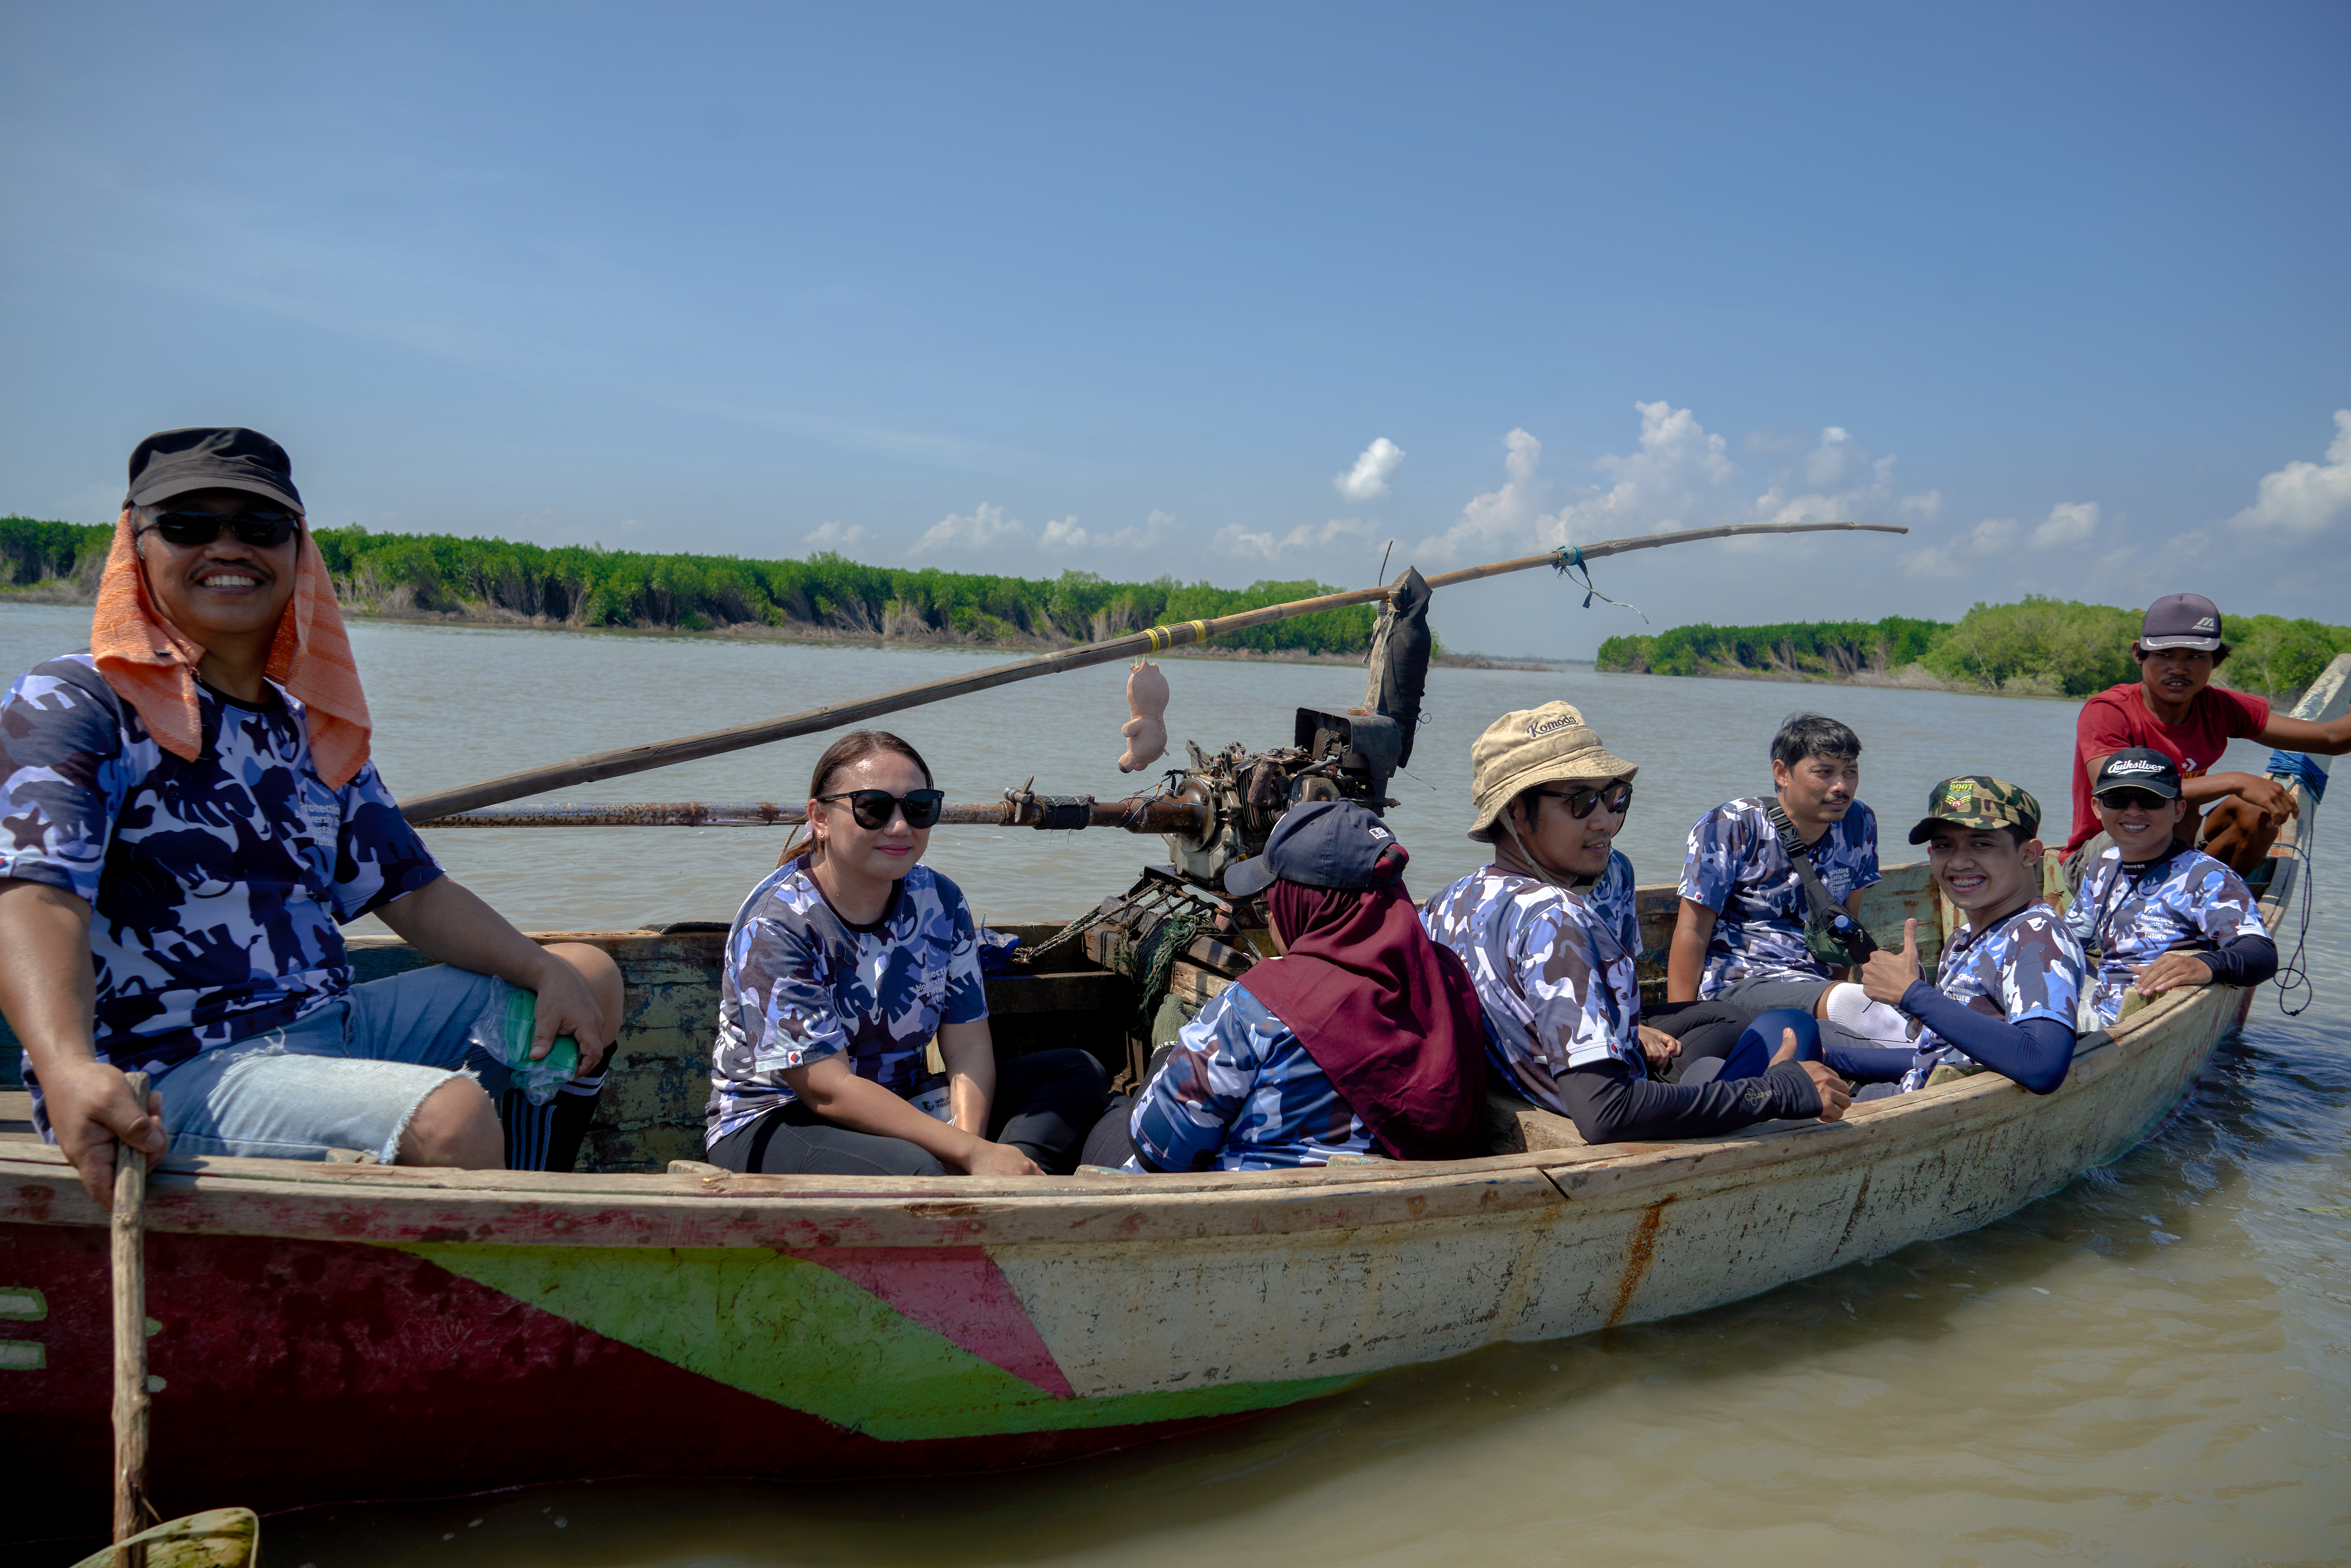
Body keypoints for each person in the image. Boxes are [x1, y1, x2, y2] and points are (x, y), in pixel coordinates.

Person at [0, 427, 624, 1206]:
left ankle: (532, 1220)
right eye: (191, 525)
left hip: (332, 1020)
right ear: (137, 547)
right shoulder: (79, 703)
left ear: (299, 554)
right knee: (449, 1119)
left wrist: (541, 968)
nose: (228, 547)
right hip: (174, 1069)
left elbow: (413, 892)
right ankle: (498, 1286)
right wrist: (64, 1067)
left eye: (259, 529)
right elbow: (36, 895)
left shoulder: (308, 725)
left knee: (584, 980)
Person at [1421, 702, 1848, 1144]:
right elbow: (1606, 1111)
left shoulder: (1447, 902)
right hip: (1596, 1134)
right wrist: (1774, 1093)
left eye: (1614, 797)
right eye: (1580, 801)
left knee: (1733, 1017)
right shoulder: (1556, 918)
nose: (1606, 821)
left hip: (1525, 1089)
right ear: (1515, 813)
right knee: (1792, 1031)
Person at [705, 729, 1109, 1177]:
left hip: (901, 1099)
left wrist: (969, 1144)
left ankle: (999, 1187)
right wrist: (969, 1154)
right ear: (820, 818)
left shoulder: (940, 900)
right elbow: (828, 1089)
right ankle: (997, 1190)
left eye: (918, 808)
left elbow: (968, 1044)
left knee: (1077, 1071)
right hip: (780, 1118)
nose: (899, 827)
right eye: (873, 809)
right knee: (916, 1170)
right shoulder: (778, 923)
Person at [1118, 801, 1487, 1172]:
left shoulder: (1257, 1004)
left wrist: (1165, 1055)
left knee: (1105, 1107)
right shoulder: (1450, 983)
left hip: (1245, 1217)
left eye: (1269, 902)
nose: (1271, 917)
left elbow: (1158, 1149)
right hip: (1406, 1215)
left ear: (1302, 904)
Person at [2062, 593, 2351, 888]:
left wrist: (2241, 787)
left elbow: (2329, 739)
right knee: (2165, 807)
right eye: (2164, 655)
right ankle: (2171, 903)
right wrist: (2235, 781)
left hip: (2175, 841)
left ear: (2217, 660)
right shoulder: (2110, 711)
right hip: (2099, 860)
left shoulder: (2218, 707)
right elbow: (2123, 791)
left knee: (2257, 813)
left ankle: (2209, 902)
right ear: (2139, 654)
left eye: (2194, 656)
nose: (2178, 668)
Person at [1667, 712, 1908, 1056]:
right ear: (1782, 773)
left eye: (1850, 772)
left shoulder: (1859, 822)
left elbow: (1845, 930)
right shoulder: (1732, 824)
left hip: (1816, 987)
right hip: (1738, 984)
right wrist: (1683, 1025)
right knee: (1851, 1003)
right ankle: (1936, 1064)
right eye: (1824, 773)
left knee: (1901, 997)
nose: (1841, 786)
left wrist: (1834, 995)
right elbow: (1691, 931)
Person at [1837, 778, 2087, 1097]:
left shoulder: (2036, 938)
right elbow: (1939, 1057)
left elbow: (2042, 1066)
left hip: (1923, 1111)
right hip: (1919, 1089)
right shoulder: (1965, 937)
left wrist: (1912, 995)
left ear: (2029, 854)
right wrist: (1834, 1058)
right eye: (1944, 846)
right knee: (1804, 1036)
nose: (1957, 862)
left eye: (1981, 844)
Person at [2065, 750, 2277, 1027]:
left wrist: (2205, 965)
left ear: (2178, 810)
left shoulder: (2206, 877)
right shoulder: (2102, 864)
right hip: (2089, 1007)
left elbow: (2261, 954)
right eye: (2117, 800)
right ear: (2097, 807)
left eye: (2151, 800)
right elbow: (2069, 943)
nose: (2133, 811)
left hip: (2140, 1019)